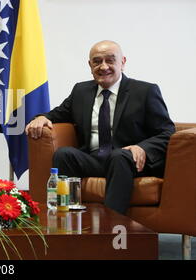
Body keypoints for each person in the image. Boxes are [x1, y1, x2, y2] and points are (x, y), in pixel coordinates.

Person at [25, 40, 175, 215]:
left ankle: (110, 227)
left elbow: (167, 131)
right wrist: (41, 118)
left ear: (123, 62)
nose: (103, 67)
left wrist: (142, 148)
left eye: (110, 60)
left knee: (119, 156)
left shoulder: (145, 91)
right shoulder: (81, 91)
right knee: (64, 154)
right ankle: (64, 220)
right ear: (90, 65)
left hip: (130, 162)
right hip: (95, 159)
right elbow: (58, 113)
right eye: (97, 61)